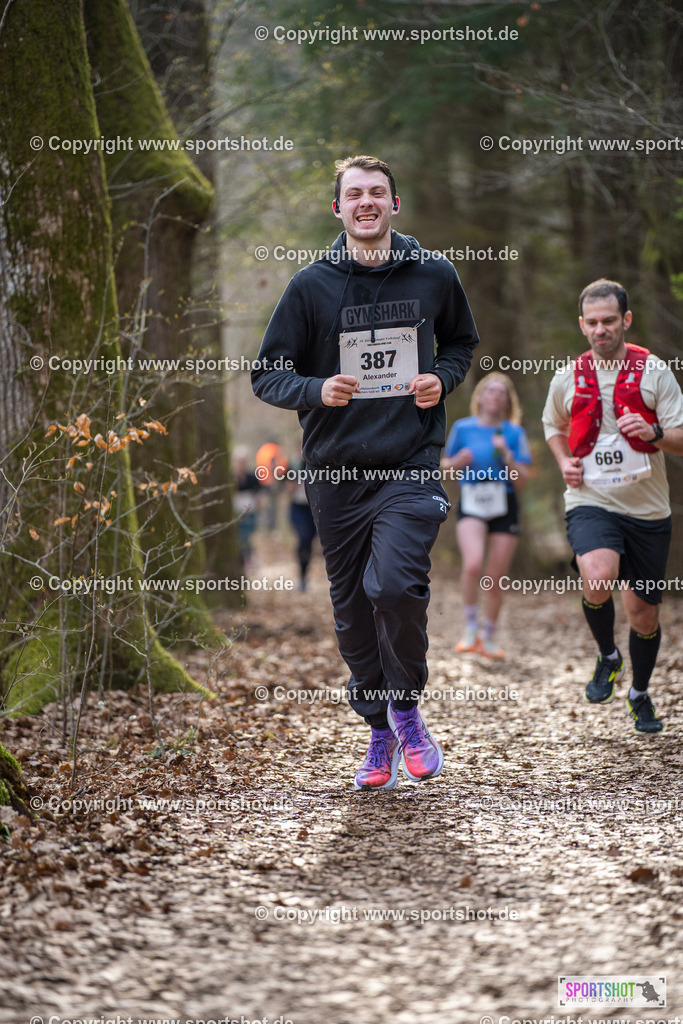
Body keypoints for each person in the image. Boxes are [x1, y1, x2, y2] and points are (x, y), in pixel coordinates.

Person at [252, 155, 478, 789]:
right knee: (352, 609)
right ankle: (377, 729)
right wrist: (317, 389)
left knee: (396, 587)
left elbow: (462, 343)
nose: (367, 202)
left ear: (394, 204)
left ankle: (405, 708)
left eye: (378, 192)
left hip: (409, 463)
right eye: (355, 194)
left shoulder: (434, 274)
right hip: (333, 473)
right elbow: (267, 374)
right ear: (339, 209)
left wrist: (445, 378)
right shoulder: (310, 286)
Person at [543, 278, 683, 733]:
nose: (601, 330)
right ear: (582, 325)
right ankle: (607, 654)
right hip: (590, 498)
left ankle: (640, 693)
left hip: (647, 509)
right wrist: (565, 461)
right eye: (593, 322)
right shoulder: (568, 375)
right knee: (598, 574)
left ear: (625, 320)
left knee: (644, 613)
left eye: (609, 321)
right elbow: (553, 426)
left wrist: (655, 435)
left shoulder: (655, 372)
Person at [441, 372, 531, 658]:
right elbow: (444, 467)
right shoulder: (463, 428)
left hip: (503, 503)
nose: (495, 396)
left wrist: (508, 457)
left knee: (494, 575)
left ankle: (489, 636)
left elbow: (522, 479)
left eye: (502, 393)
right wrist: (456, 461)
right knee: (472, 565)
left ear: (508, 401)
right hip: (472, 501)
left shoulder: (514, 433)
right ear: (480, 396)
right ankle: (470, 629)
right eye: (490, 391)